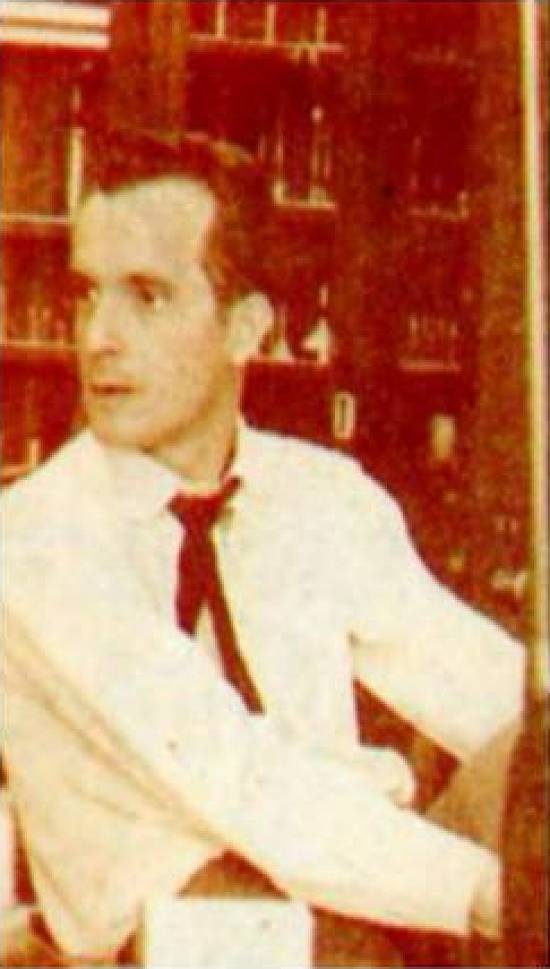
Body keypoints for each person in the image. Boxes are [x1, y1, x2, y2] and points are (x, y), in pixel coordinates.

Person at [2, 128, 524, 966]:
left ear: (246, 328)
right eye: (87, 295)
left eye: (146, 297)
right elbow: (246, 785)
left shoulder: (323, 495)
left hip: (359, 899)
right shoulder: (36, 541)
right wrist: (503, 895)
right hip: (180, 943)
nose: (98, 336)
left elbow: (492, 692)